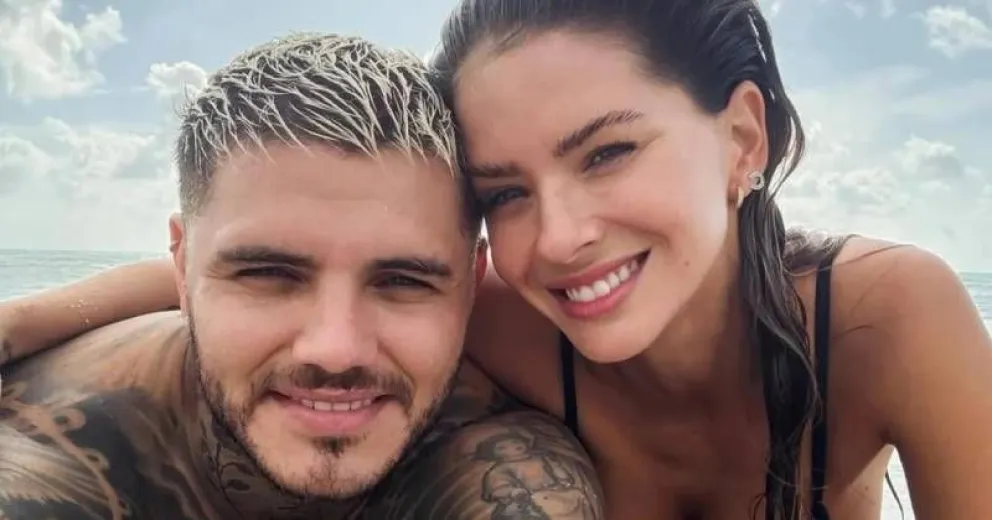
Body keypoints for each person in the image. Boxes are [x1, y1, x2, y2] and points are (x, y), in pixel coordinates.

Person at [4, 0, 992, 518]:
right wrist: (16, 324)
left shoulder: (883, 321)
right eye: (505, 192)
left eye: (607, 152)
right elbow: (270, 263)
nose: (556, 238)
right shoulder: (508, 319)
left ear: (741, 138)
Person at [0, 32, 604, 520]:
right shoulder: (48, 443)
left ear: (473, 284)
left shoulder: (501, 464)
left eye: (403, 282)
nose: (335, 350)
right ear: (182, 268)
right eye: (268, 274)